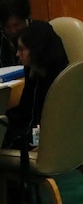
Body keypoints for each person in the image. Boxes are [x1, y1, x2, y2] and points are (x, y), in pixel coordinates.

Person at [1, 20, 69, 150]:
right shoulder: (35, 72)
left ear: (36, 50)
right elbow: (25, 111)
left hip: (41, 137)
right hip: (31, 128)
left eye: (21, 49)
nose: (17, 54)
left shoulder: (56, 84)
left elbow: (40, 124)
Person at [0, 0, 31, 66]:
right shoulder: (2, 35)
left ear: (25, 19)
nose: (13, 30)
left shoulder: (42, 33)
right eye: (7, 27)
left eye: (16, 25)